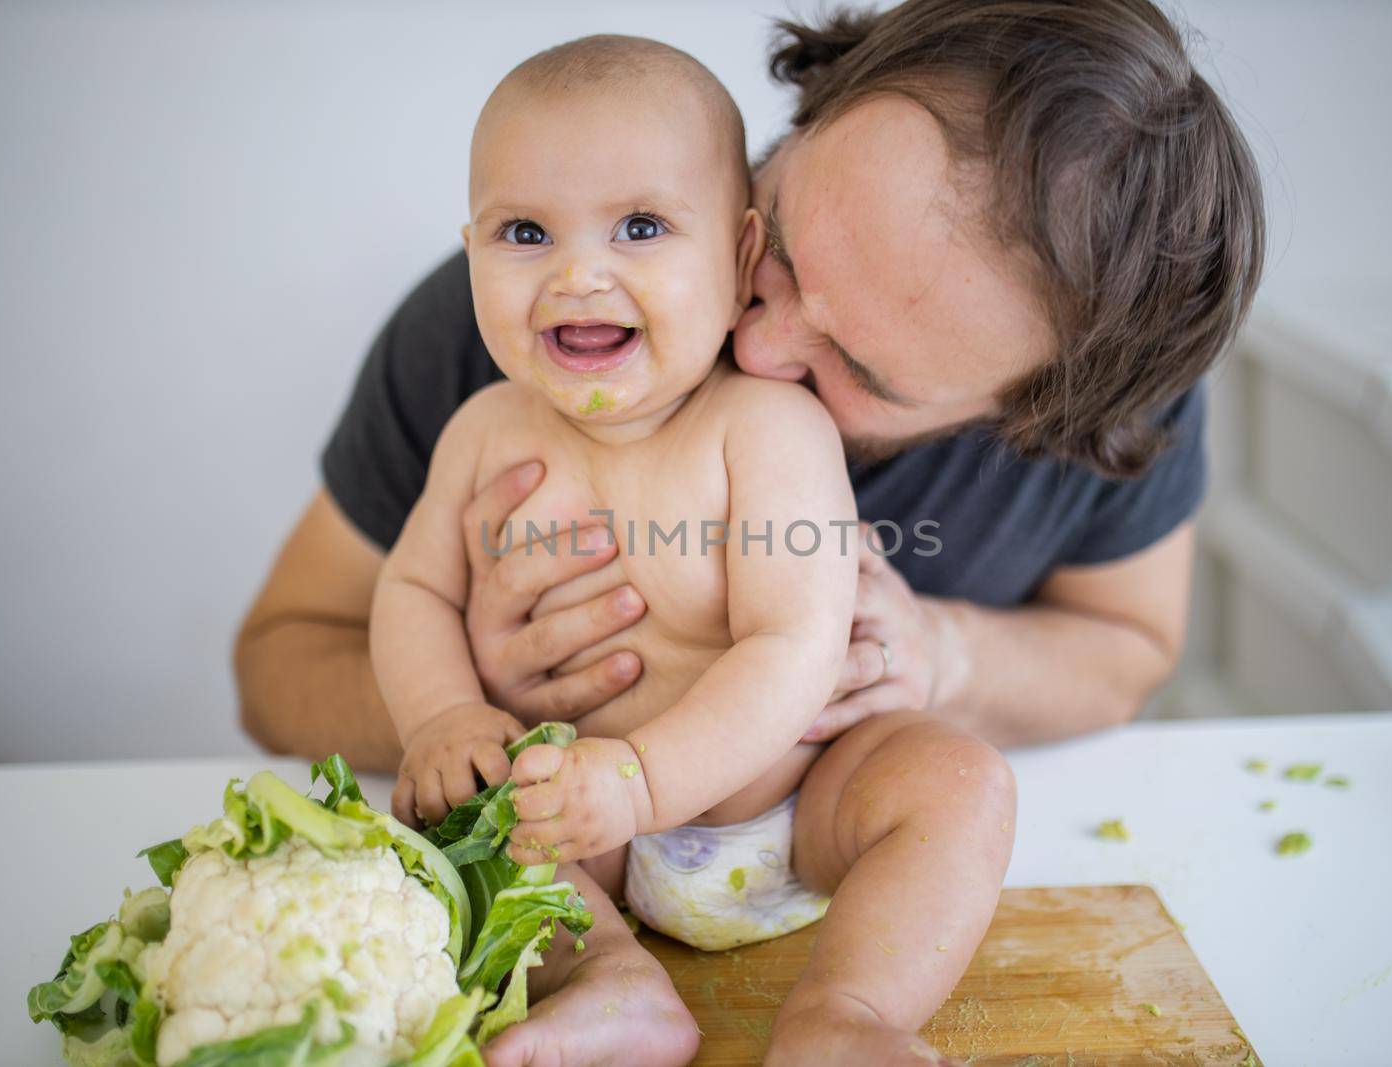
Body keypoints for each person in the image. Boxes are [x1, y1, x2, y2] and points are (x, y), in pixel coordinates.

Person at [236, 1, 1264, 1064]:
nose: (761, 345)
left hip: (804, 810)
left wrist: (949, 653)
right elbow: (281, 659)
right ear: (814, 103)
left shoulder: (1087, 414)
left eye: (860, 373)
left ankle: (847, 1015)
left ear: (1038, 419)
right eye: (777, 241)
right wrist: (460, 706)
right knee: (452, 845)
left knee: (956, 787)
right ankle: (611, 980)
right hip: (571, 820)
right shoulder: (517, 337)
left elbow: (1121, 651)